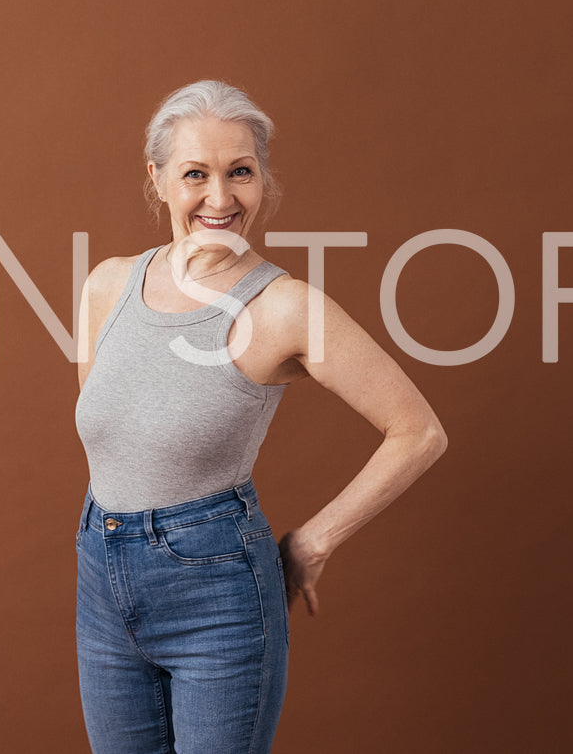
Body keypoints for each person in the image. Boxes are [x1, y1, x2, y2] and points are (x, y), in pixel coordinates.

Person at [73, 80, 448, 753]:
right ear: (156, 179)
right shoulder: (106, 284)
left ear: (261, 178)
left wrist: (316, 540)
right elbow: (113, 437)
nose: (220, 199)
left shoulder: (282, 307)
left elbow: (417, 431)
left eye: (239, 172)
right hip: (101, 577)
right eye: (195, 174)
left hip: (215, 592)